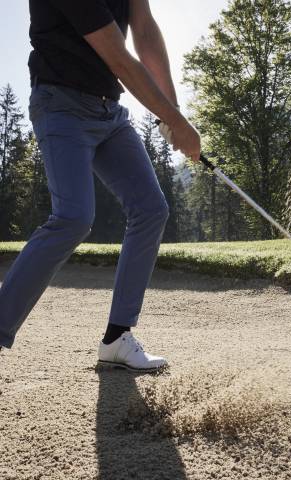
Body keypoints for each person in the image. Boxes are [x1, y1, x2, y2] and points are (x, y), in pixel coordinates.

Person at [0, 0, 201, 372]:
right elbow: (119, 58)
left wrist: (172, 111)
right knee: (73, 217)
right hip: (60, 104)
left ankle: (117, 337)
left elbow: (143, 28)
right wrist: (176, 120)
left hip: (108, 111)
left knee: (150, 208)